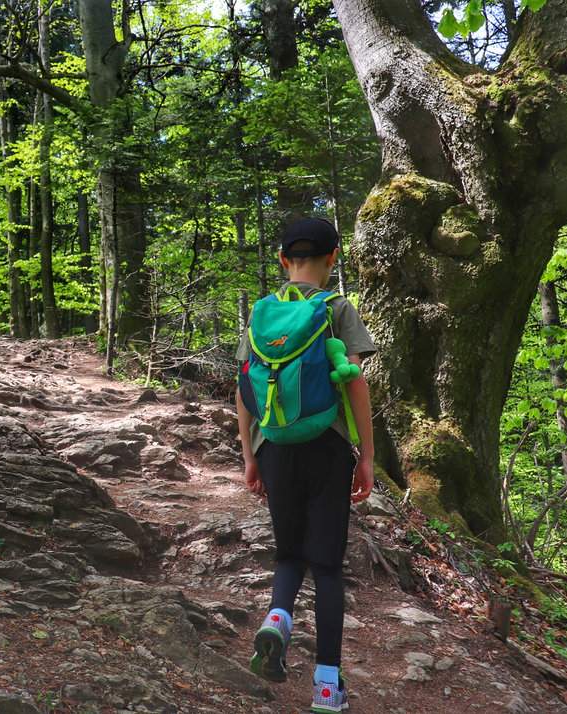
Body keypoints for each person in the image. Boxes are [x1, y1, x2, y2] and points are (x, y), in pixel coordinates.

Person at [235, 217, 376, 713]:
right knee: (328, 568)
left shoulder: (262, 313)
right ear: (333, 258)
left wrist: (251, 454)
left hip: (275, 447)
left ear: (282, 261)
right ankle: (325, 687)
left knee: (288, 556)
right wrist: (368, 458)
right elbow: (355, 382)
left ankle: (277, 619)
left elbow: (244, 387)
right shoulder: (337, 309)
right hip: (327, 446)